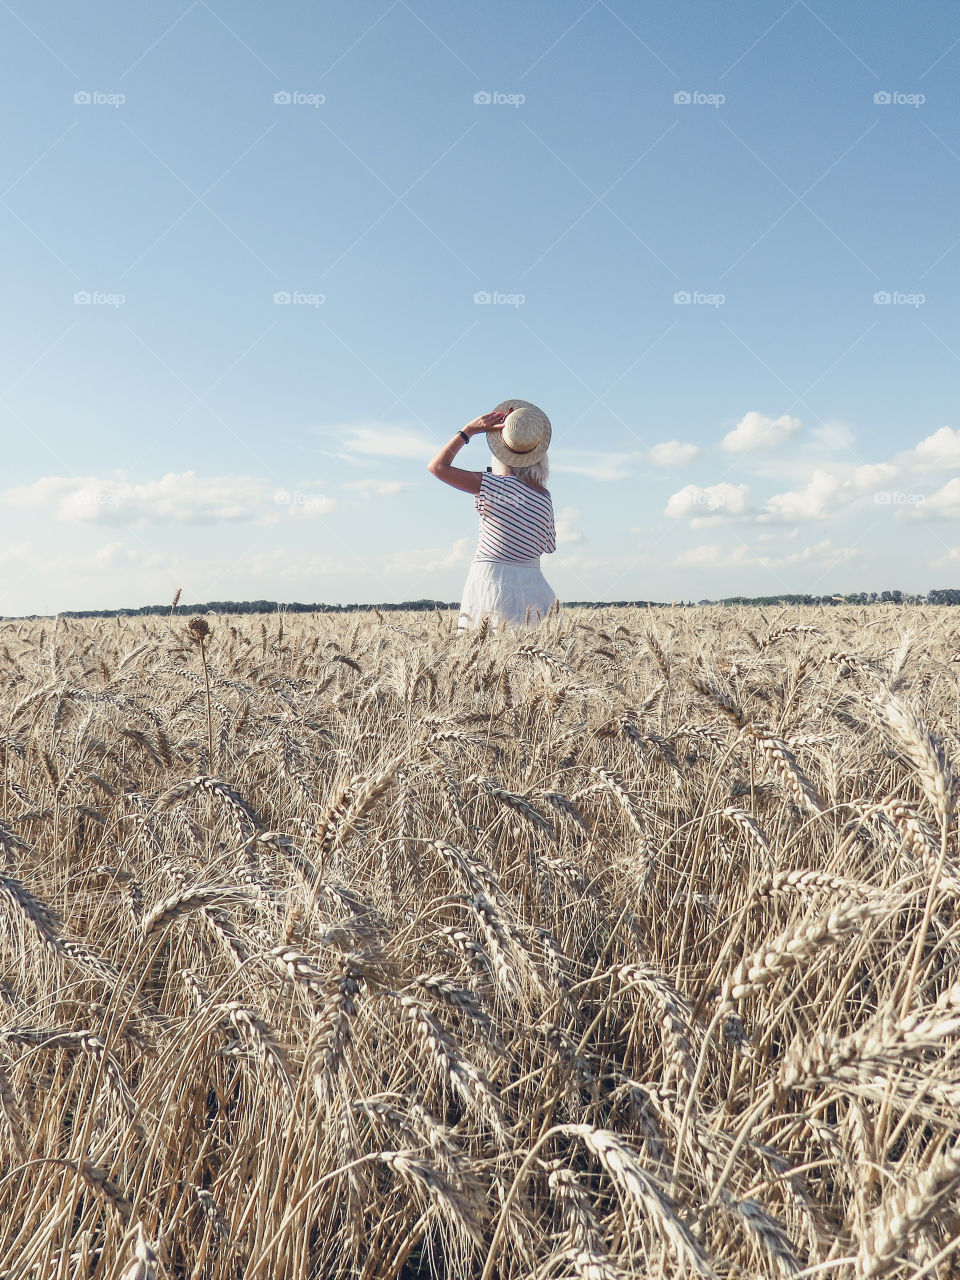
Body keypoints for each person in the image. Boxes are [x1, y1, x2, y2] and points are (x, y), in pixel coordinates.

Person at [426, 399, 558, 631]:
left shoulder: (493, 486)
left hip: (492, 584)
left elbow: (437, 467)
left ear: (500, 451)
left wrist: (468, 431)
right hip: (536, 589)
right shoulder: (544, 496)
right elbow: (548, 546)